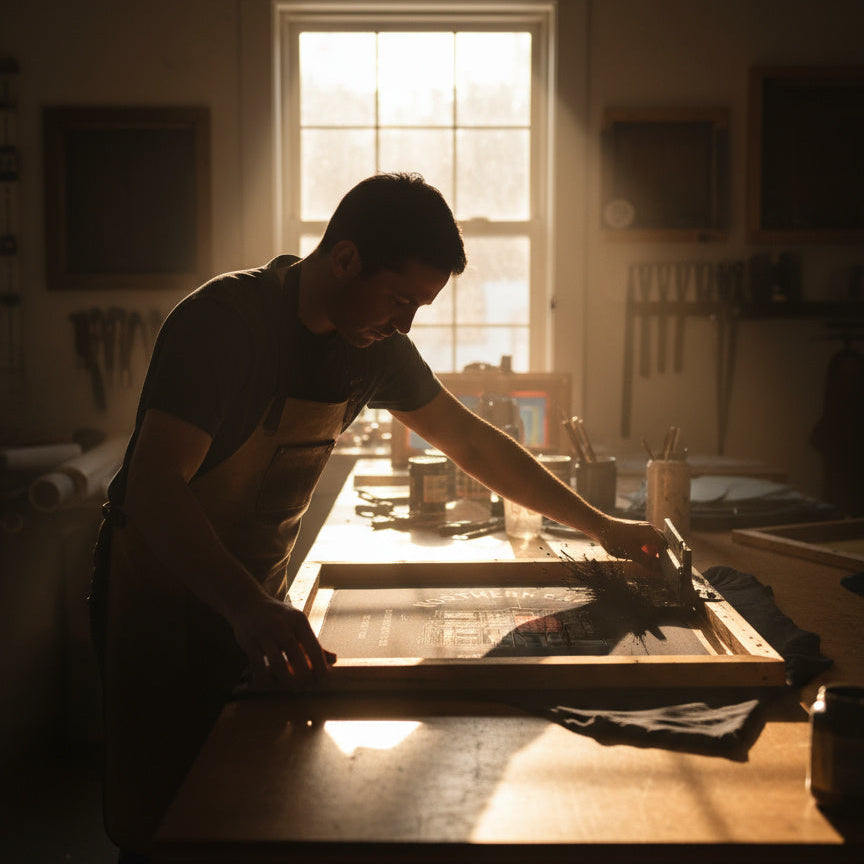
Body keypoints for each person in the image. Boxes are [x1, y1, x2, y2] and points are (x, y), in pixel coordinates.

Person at [91, 172, 664, 860]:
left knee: (249, 808)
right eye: (399, 299)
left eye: (418, 308)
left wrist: (601, 526)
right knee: (163, 822)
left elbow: (473, 442)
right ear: (344, 258)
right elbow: (154, 487)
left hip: (258, 609)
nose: (404, 324)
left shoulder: (373, 348)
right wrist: (245, 606)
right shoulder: (224, 324)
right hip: (162, 604)